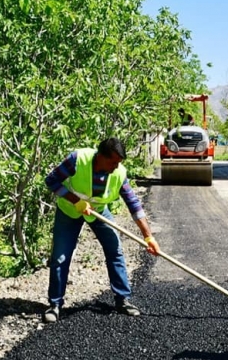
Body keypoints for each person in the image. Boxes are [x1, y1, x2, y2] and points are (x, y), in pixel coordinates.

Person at [43, 137, 160, 323]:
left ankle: (122, 299)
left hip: (98, 211)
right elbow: (51, 181)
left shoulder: (119, 173)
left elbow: (134, 204)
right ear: (100, 156)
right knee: (60, 257)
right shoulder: (78, 159)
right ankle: (55, 304)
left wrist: (148, 237)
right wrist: (76, 201)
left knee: (115, 250)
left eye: (118, 162)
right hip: (69, 211)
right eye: (113, 162)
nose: (115, 166)